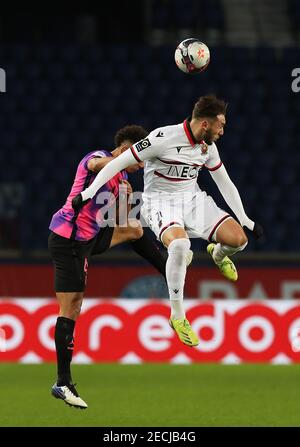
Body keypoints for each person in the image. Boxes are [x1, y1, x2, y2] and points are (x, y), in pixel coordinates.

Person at [73, 94, 264, 349]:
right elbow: (118, 162)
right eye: (220, 125)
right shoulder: (161, 138)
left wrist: (245, 219)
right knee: (180, 246)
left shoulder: (208, 147)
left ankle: (217, 255)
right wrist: (88, 192)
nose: (222, 131)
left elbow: (224, 182)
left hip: (193, 199)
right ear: (205, 124)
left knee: (239, 240)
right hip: (160, 202)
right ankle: (178, 315)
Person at [49, 125, 183, 409]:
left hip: (90, 238)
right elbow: (97, 164)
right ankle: (62, 382)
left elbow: (121, 222)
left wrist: (124, 198)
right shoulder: (97, 158)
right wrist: (120, 162)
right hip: (68, 238)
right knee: (71, 308)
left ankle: (169, 268)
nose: (140, 165)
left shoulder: (122, 177)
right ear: (125, 150)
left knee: (134, 229)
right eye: (138, 157)